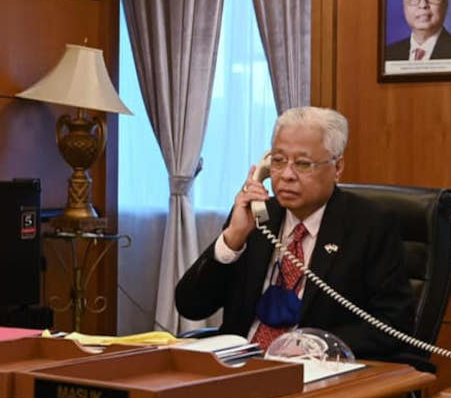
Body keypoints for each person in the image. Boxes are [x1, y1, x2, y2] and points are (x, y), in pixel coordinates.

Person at [175, 106, 414, 360]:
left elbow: (394, 325)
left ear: (338, 167)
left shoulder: (370, 225)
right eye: (278, 161)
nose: (287, 175)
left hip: (316, 372)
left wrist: (317, 345)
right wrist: (233, 239)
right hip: (241, 368)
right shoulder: (255, 218)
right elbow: (191, 306)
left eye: (303, 164)